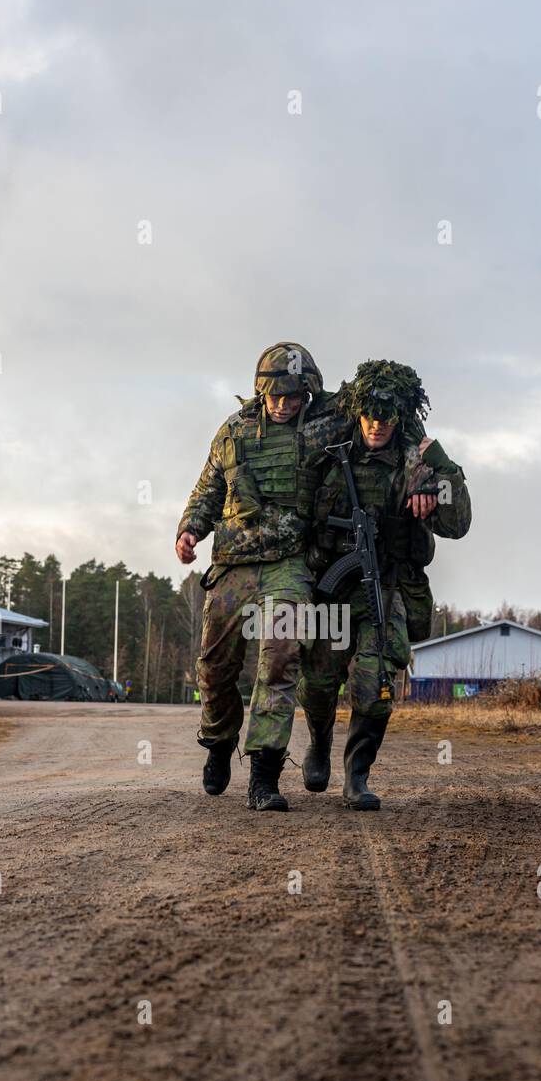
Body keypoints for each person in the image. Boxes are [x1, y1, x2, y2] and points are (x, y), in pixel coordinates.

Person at [175, 343, 349, 811]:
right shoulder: (233, 432)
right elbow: (207, 490)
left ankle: (264, 776)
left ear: (308, 392)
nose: (283, 404)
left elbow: (376, 419)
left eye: (294, 396)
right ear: (260, 390)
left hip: (289, 566)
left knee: (279, 661)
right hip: (233, 562)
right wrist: (190, 531)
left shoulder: (324, 428)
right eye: (275, 395)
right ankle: (217, 741)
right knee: (215, 667)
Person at [297, 359, 471, 809]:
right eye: (369, 416)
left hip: (386, 585)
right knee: (317, 681)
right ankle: (318, 742)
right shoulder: (332, 452)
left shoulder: (417, 464)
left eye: (386, 418)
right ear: (358, 412)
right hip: (332, 586)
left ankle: (357, 774)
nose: (376, 426)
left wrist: (442, 465)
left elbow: (458, 523)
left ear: (400, 418)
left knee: (375, 687)